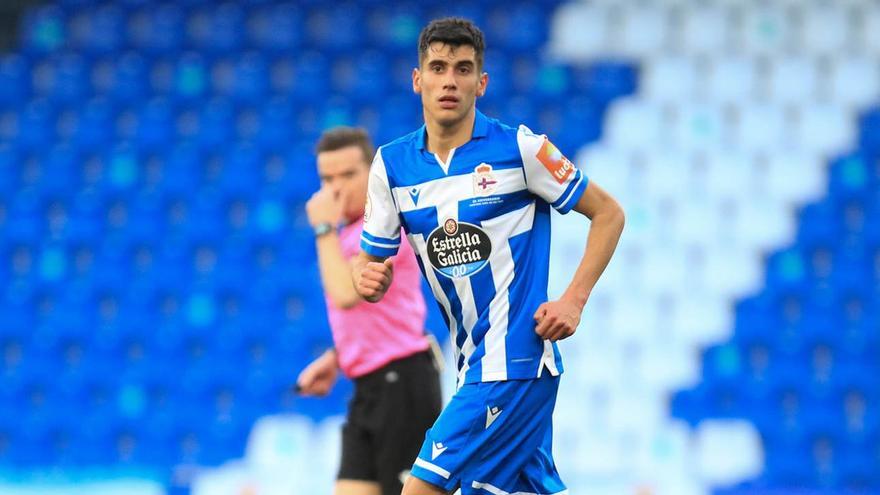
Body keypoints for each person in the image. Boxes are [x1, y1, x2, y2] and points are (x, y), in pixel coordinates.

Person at [352, 18, 625, 495]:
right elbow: (368, 261)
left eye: (463, 69)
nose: (449, 81)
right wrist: (364, 277)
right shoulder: (392, 165)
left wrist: (574, 300)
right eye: (437, 68)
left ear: (482, 82)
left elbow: (608, 213)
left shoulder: (522, 150)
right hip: (472, 363)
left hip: (512, 362)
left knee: (421, 489)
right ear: (418, 79)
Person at [296, 127, 443, 495]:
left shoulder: (385, 227)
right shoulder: (349, 235)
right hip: (369, 385)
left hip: (403, 384)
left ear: (372, 173)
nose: (336, 188)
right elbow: (371, 315)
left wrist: (323, 228)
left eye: (348, 175)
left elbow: (347, 294)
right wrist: (338, 357)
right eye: (327, 178)